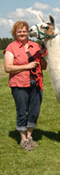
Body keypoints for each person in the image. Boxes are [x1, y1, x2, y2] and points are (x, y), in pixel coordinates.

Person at [4, 21, 48, 151]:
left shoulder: (35, 45)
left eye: (24, 31)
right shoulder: (11, 48)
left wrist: (43, 57)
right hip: (19, 84)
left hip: (36, 83)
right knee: (22, 111)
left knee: (34, 111)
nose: (22, 33)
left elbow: (44, 67)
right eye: (19, 31)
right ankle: (23, 139)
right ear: (15, 33)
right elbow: (8, 68)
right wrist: (26, 66)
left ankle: (29, 137)